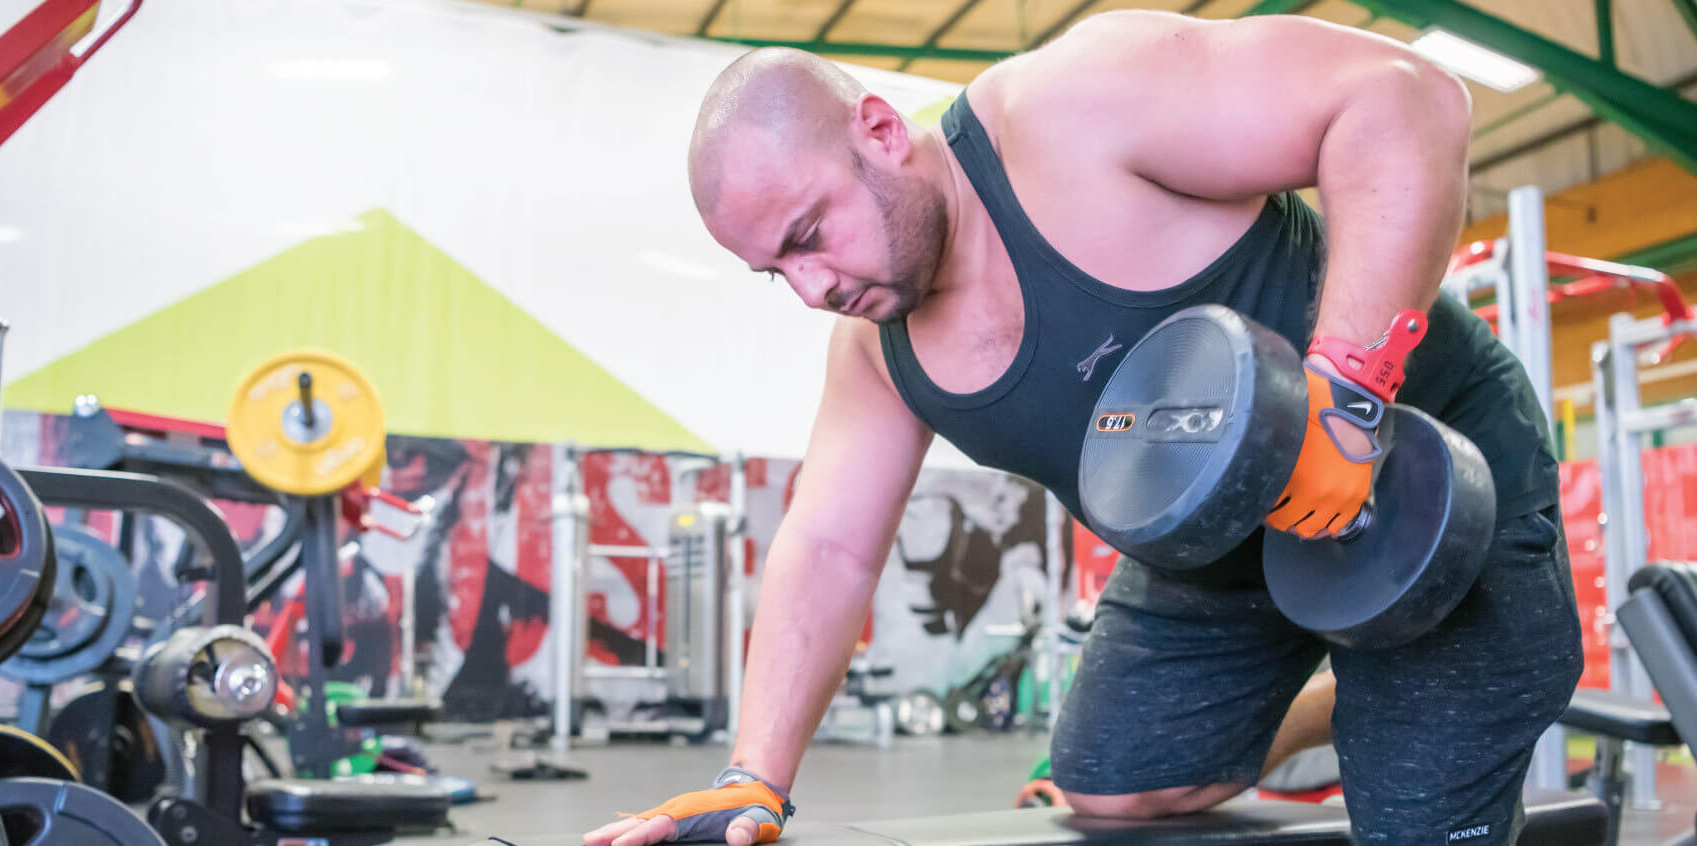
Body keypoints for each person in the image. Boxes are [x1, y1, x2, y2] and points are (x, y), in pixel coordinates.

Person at [586, 10, 1582, 845]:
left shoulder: (1072, 109)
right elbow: (829, 545)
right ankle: (1325, 699)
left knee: (1410, 818)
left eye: (807, 236)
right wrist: (752, 776)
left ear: (881, 132)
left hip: (1424, 474)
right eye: (776, 270)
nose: (810, 289)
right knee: (1107, 790)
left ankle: (1388, 686)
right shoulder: (877, 353)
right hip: (1221, 553)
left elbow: (1403, 97)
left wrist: (1347, 394)